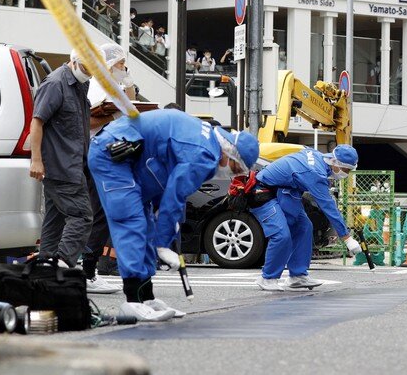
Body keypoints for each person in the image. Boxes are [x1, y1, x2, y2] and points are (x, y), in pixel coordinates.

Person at [87, 110, 259, 320]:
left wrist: (164, 235)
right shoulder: (204, 155)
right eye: (235, 168)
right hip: (113, 154)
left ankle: (146, 298)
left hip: (131, 155)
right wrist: (162, 245)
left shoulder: (206, 141)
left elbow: (167, 190)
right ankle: (132, 300)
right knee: (131, 222)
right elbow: (175, 195)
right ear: (231, 152)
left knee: (147, 224)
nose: (231, 174)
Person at [249, 145, 363, 291]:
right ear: (335, 162)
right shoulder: (315, 173)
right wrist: (347, 238)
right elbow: (328, 207)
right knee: (281, 235)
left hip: (284, 190)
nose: (346, 173)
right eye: (345, 170)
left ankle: (297, 276)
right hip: (262, 191)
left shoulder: (319, 157)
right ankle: (268, 278)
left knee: (304, 227)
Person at [29, 50, 94, 268]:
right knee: (82, 217)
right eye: (87, 68)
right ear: (74, 61)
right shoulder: (55, 84)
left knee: (55, 220)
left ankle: (45, 267)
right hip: (62, 166)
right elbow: (37, 122)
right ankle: (62, 265)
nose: (90, 73)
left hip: (72, 164)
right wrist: (36, 160)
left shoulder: (80, 83)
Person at [81, 44, 137, 295]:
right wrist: (112, 116)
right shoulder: (95, 86)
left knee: (101, 212)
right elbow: (87, 119)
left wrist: (127, 80)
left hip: (111, 153)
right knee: (98, 212)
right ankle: (87, 270)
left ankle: (87, 268)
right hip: (97, 153)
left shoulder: (113, 84)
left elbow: (131, 106)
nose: (123, 67)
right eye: (120, 64)